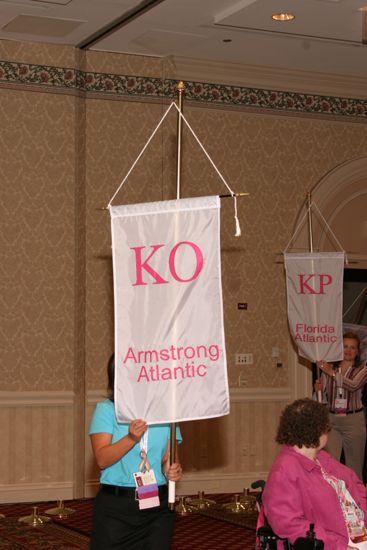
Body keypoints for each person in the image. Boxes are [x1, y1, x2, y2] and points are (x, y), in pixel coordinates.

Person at [89, 354, 182, 550]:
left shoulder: (167, 411)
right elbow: (102, 459)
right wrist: (131, 438)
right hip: (116, 509)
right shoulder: (107, 410)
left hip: (157, 507)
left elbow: (168, 460)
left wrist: (171, 470)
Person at [262, 398, 367, 550]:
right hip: (339, 542)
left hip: (358, 533)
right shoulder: (284, 470)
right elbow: (289, 525)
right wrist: (338, 546)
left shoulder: (322, 459)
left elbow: (357, 489)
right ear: (318, 430)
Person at [315, 331, 367, 480]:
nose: (348, 350)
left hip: (353, 420)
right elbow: (322, 391)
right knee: (330, 464)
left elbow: (353, 385)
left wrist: (330, 372)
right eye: (345, 346)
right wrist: (318, 387)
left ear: (357, 351)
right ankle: (332, 500)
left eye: (352, 347)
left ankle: (356, 501)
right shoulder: (330, 367)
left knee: (354, 466)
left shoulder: (363, 369)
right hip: (332, 419)